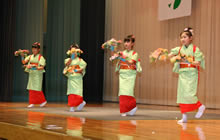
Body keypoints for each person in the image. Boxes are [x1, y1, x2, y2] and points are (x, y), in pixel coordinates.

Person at [168, 27, 205, 123]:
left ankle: (200, 106)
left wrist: (188, 60)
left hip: (192, 74)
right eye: (181, 37)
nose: (183, 39)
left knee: (189, 94)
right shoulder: (179, 49)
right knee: (182, 95)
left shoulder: (195, 49)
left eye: (185, 37)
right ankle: (184, 116)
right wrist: (162, 54)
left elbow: (198, 62)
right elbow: (169, 55)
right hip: (182, 74)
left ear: (190, 38)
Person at [114, 35, 142, 116]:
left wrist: (122, 57)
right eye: (125, 42)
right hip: (123, 74)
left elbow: (131, 62)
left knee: (128, 92)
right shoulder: (122, 53)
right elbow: (114, 57)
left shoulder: (135, 54)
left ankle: (132, 107)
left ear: (132, 43)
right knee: (122, 92)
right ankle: (124, 110)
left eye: (128, 42)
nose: (126, 43)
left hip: (130, 75)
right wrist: (112, 49)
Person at [21, 42, 47, 108]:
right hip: (32, 74)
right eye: (33, 49)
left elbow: (42, 67)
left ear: (38, 50)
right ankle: (32, 102)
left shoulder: (41, 57)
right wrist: (22, 56)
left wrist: (33, 67)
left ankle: (43, 101)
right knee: (31, 88)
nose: (34, 50)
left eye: (35, 49)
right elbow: (24, 62)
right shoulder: (30, 56)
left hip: (38, 75)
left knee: (37, 89)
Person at [63, 43, 87, 112]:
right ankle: (72, 106)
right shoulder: (68, 59)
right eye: (72, 51)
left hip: (78, 78)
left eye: (75, 51)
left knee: (77, 93)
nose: (74, 53)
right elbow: (67, 64)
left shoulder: (80, 60)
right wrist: (71, 58)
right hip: (71, 78)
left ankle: (81, 102)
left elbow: (82, 68)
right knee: (71, 93)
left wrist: (76, 70)